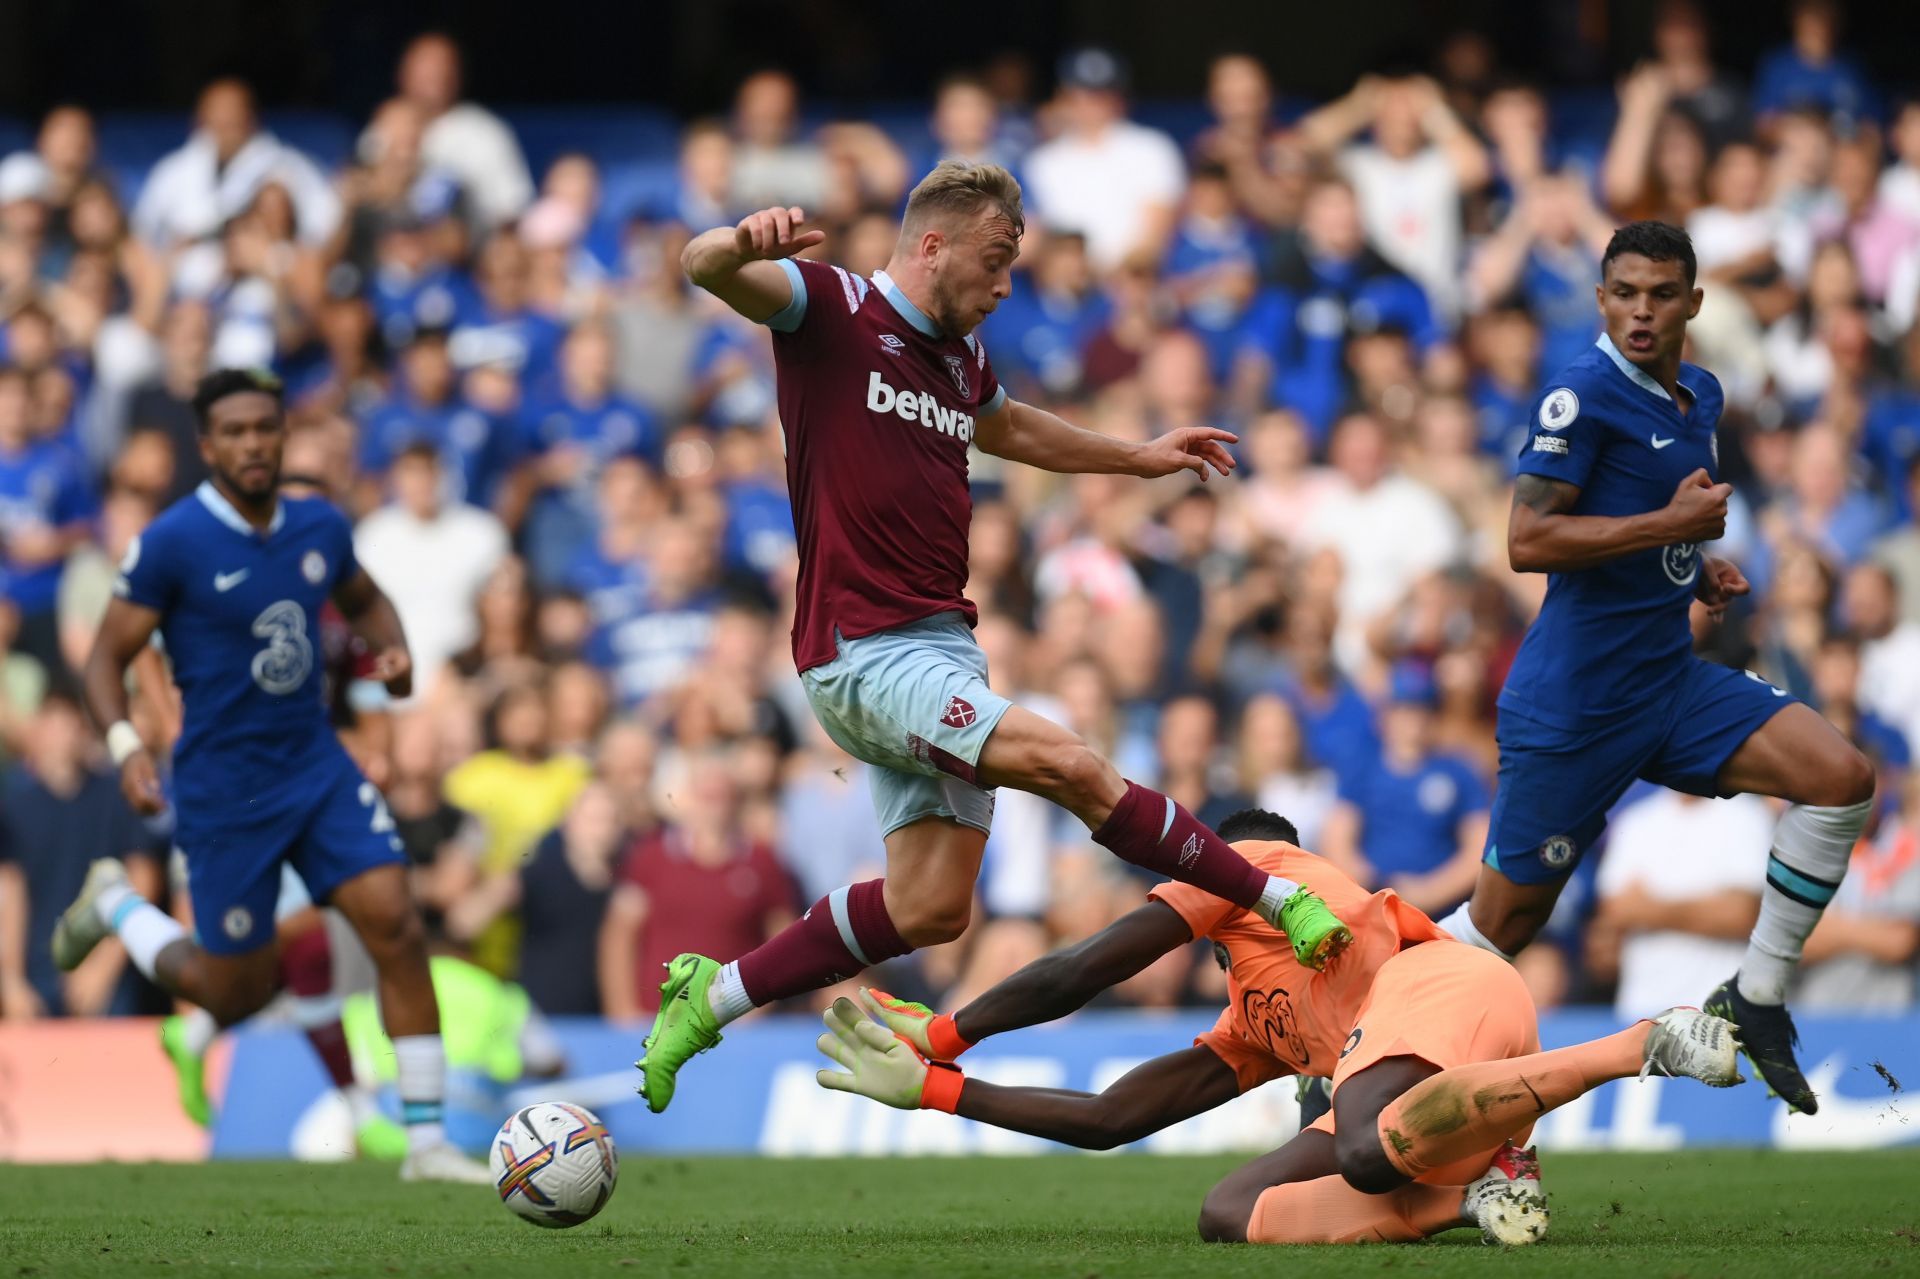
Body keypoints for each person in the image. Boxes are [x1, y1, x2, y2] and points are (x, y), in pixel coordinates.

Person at [641, 162, 1352, 1113]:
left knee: (930, 909)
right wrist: (738, 242)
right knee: (1071, 761)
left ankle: (712, 993)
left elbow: (1010, 426)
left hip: (940, 648)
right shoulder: (833, 306)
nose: (1007, 284)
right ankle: (1272, 899)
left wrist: (1136, 460)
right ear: (932, 245)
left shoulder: (959, 359)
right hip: (865, 649)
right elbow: (703, 267)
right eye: (996, 259)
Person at [814, 808, 1742, 1247]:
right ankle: (1479, 1196)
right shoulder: (1256, 1024)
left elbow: (1088, 964)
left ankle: (1641, 1042)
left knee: (1365, 1146)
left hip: (1451, 988)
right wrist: (940, 1091)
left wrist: (950, 1030)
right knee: (1230, 1213)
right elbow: (1111, 1119)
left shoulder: (1252, 865)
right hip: (1434, 1082)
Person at [1437, 222, 1878, 1116]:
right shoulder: (1579, 396)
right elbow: (1528, 540)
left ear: (1693, 303)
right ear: (1602, 299)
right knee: (1500, 927)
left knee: (1841, 778)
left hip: (1668, 682)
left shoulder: (1700, 397)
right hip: (1576, 704)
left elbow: (1653, 513)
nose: (1643, 311)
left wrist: (1695, 566)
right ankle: (1350, 1042)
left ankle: (1755, 998)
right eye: (1626, 293)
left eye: (1662, 294)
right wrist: (1670, 533)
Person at [52, 367, 486, 1182]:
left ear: (285, 435)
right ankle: (116, 902)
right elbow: (107, 657)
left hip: (316, 765)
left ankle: (424, 1141)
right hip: (224, 788)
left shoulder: (319, 525)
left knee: (396, 919)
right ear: (207, 445)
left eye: (266, 427)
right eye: (236, 431)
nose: (254, 443)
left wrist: (394, 660)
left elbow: (367, 601)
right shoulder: (174, 541)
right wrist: (126, 746)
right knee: (234, 993)